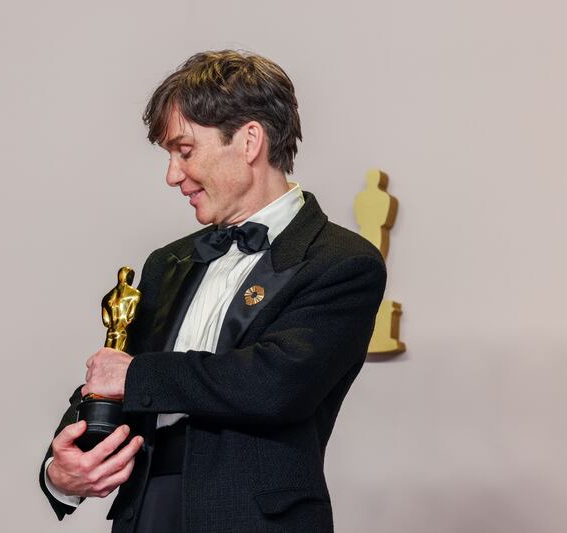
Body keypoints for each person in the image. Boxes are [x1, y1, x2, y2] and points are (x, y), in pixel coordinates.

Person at [39, 50, 386, 533]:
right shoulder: (167, 262)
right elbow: (115, 385)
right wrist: (62, 473)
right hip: (145, 517)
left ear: (248, 141)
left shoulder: (341, 261)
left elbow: (276, 384)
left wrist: (137, 375)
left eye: (184, 151)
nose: (172, 175)